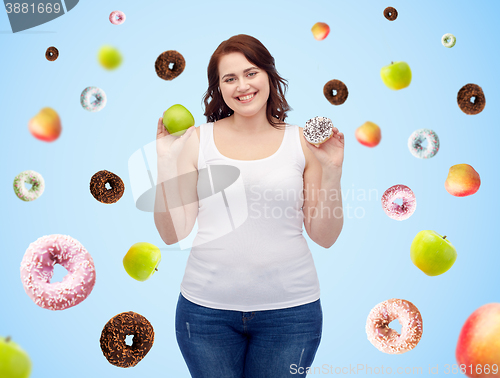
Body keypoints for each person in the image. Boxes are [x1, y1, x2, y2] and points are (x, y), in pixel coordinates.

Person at [154, 34, 344, 378]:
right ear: (219, 88)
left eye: (251, 72)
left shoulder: (302, 141)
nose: (242, 85)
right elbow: (172, 233)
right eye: (230, 78)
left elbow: (325, 236)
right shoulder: (196, 140)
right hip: (204, 314)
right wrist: (166, 163)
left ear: (269, 75)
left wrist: (331, 173)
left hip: (292, 315)